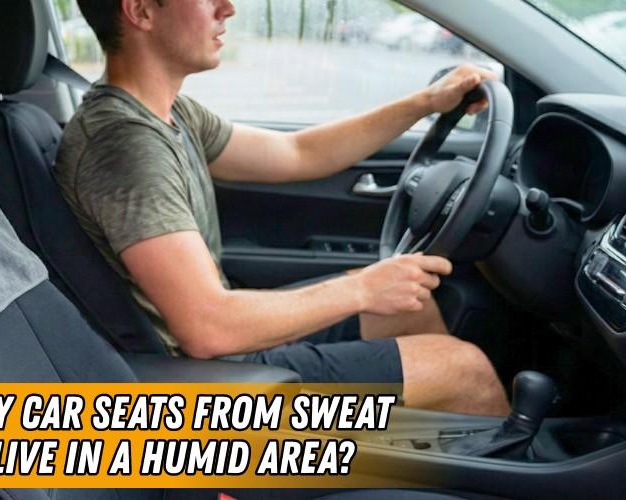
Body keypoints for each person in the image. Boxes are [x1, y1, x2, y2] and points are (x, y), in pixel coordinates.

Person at [56, 0, 509, 415]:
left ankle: (426, 465)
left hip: (221, 352)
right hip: (206, 382)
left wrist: (425, 103)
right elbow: (206, 327)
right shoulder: (126, 145)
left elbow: (298, 154)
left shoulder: (168, 115)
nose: (227, 9)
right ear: (141, 11)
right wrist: (364, 289)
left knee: (405, 305)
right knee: (465, 370)